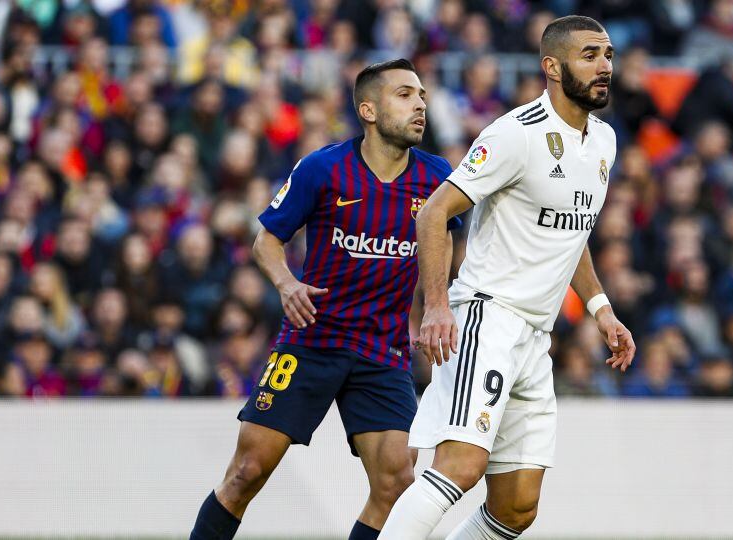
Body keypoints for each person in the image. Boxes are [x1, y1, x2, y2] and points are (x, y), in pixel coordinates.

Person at [381, 16, 636, 538]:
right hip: (488, 318)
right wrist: (436, 306)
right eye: (589, 55)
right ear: (552, 66)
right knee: (459, 467)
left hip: (535, 338)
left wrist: (601, 309)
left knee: (517, 507)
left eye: (608, 54)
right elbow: (432, 213)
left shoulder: (604, 142)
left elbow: (572, 232)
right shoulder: (515, 135)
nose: (605, 66)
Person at [189, 59, 461, 540]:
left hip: (383, 350)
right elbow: (265, 241)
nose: (420, 104)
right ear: (369, 110)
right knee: (247, 471)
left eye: (421, 95)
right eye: (405, 94)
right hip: (312, 339)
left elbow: (450, 239)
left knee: (397, 482)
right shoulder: (323, 167)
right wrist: (286, 283)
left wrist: (438, 303)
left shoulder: (436, 177)